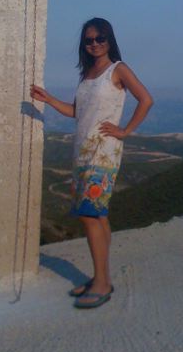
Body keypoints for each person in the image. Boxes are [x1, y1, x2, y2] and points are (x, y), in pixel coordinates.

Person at [30, 17, 153, 309]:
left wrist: (124, 131)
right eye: (89, 40)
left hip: (103, 152)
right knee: (97, 216)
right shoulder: (87, 74)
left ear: (110, 40)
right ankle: (100, 276)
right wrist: (48, 99)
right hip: (82, 152)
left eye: (100, 38)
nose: (95, 44)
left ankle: (102, 282)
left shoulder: (118, 69)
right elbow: (77, 111)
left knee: (88, 215)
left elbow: (145, 99)